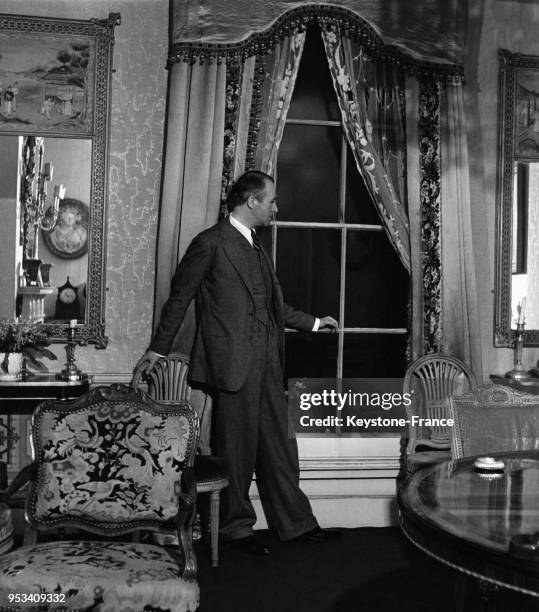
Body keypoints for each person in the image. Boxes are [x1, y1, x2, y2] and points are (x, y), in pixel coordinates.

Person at [134, 170, 339, 555]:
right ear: (251, 202)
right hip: (232, 366)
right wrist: (157, 351)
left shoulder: (257, 246)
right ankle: (235, 529)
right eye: (272, 201)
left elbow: (272, 305)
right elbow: (179, 299)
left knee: (281, 447)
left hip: (268, 364)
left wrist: (312, 322)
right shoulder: (210, 243)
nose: (277, 208)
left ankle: (296, 523)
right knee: (237, 451)